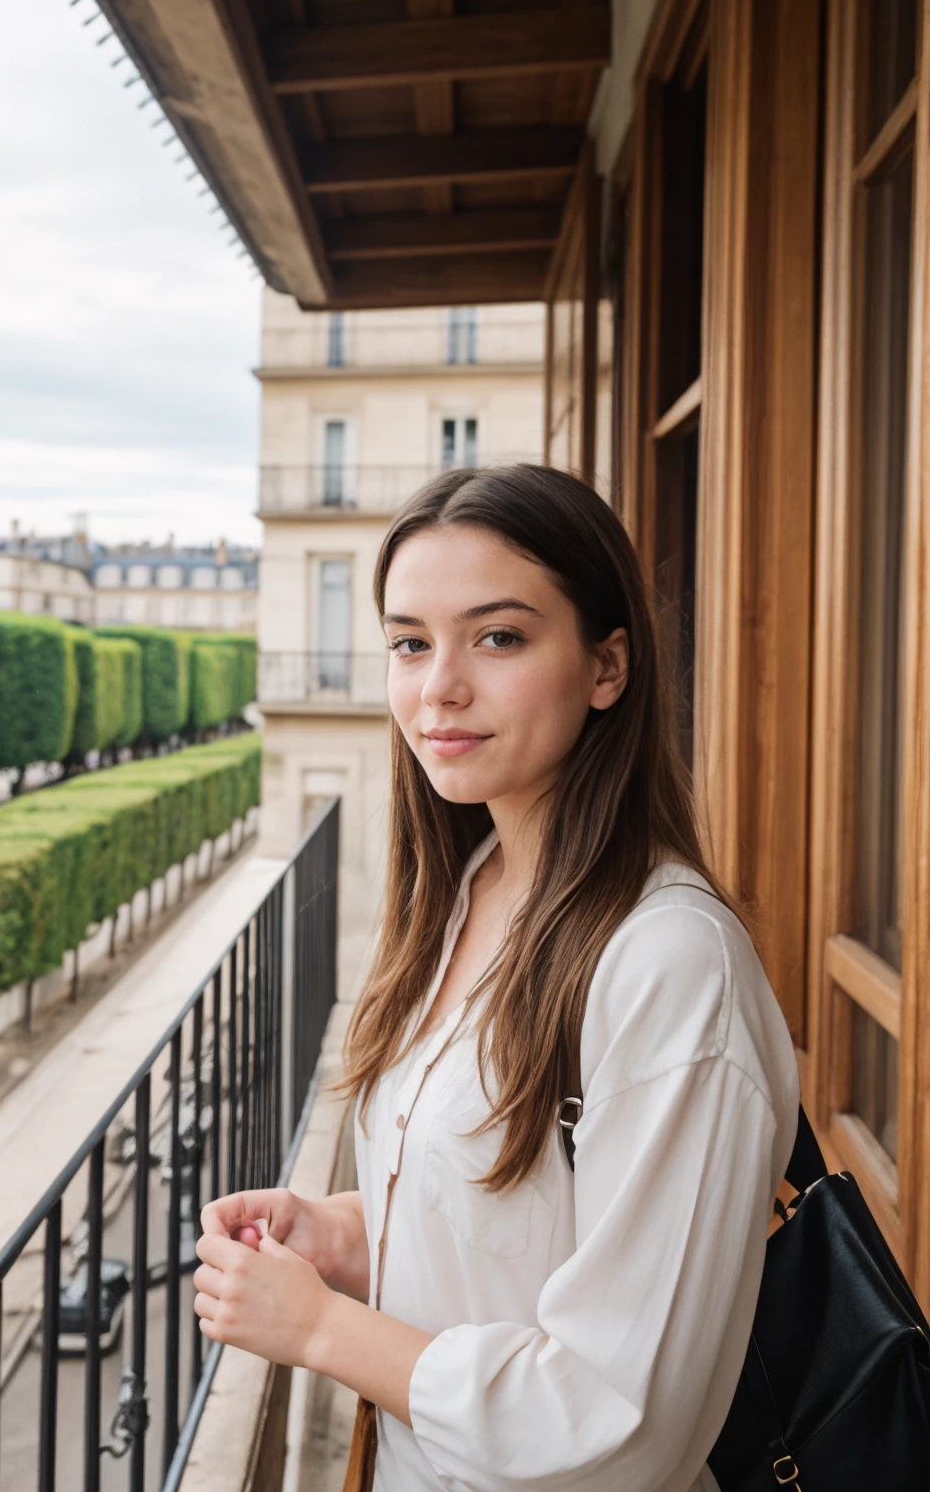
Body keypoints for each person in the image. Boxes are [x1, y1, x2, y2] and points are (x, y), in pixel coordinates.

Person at [193, 464, 799, 1492]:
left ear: (606, 667)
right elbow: (523, 1225)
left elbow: (620, 1423)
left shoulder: (667, 966)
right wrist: (344, 1230)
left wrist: (320, 1328)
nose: (440, 688)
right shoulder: (468, 886)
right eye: (409, 643)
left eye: (499, 637)